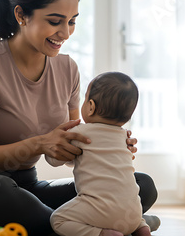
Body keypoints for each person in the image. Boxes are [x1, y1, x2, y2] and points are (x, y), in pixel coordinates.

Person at [0, 0, 158, 235]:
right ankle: (87, 226)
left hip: (29, 188)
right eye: (55, 21)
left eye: (72, 21)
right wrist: (41, 143)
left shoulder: (68, 69)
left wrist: (105, 142)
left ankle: (69, 226)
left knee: (141, 185)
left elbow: (69, 145)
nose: (65, 33)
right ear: (21, 14)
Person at [46, 72, 151, 236]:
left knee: (58, 219)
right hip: (133, 210)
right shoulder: (124, 136)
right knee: (131, 196)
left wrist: (51, 142)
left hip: (100, 210)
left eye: (85, 97)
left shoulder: (79, 132)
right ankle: (141, 226)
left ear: (91, 106)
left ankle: (103, 233)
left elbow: (54, 159)